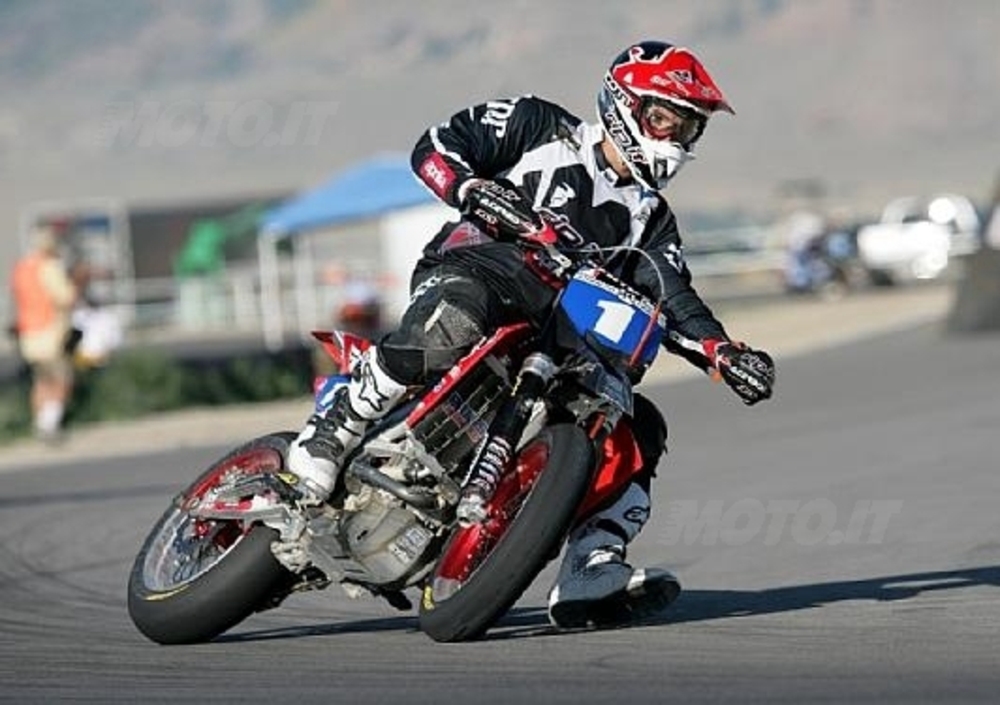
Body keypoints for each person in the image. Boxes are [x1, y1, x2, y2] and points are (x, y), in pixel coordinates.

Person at [288, 40, 776, 627]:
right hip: (476, 270)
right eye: (664, 119)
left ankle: (592, 561)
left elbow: (673, 296)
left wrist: (723, 352)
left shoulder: (652, 220)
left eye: (689, 127)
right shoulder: (537, 125)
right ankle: (339, 423)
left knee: (637, 421)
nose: (675, 138)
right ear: (624, 104)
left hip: (559, 334)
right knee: (456, 320)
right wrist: (471, 188)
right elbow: (438, 146)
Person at [10, 224, 79, 441]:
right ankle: (50, 424)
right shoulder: (50, 267)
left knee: (41, 381)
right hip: (51, 333)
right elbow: (65, 298)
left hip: (29, 334)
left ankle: (40, 423)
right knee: (62, 378)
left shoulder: (22, 268)